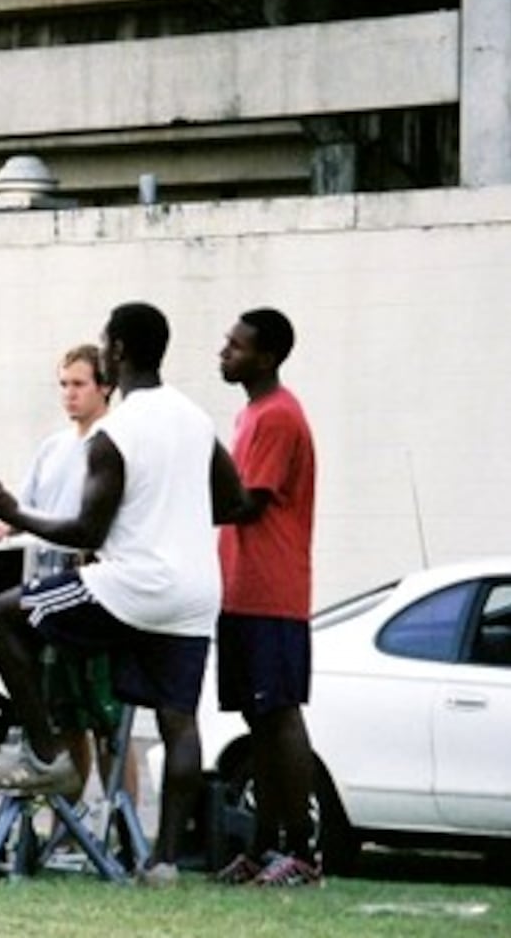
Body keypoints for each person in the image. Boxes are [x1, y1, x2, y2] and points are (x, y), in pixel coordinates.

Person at [0, 302, 244, 887]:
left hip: (130, 585)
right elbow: (233, 502)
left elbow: (86, 534)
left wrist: (13, 513)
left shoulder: (113, 433)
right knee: (178, 721)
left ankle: (49, 759)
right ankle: (165, 861)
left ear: (118, 352)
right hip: (195, 593)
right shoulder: (196, 419)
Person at [0, 344, 139, 818]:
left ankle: (121, 822)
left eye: (79, 384)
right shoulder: (52, 448)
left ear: (105, 387)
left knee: (107, 720)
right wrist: (7, 521)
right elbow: (30, 512)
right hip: (49, 592)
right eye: (64, 385)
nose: (69, 394)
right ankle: (67, 827)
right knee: (67, 715)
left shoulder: (113, 443)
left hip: (96, 590)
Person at [214, 308, 320, 887]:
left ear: (267, 356)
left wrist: (178, 508)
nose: (223, 353)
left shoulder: (278, 415)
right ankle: (260, 849)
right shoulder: (250, 413)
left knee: (279, 714)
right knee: (257, 719)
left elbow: (248, 501)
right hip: (240, 588)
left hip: (272, 591)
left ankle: (302, 852)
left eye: (235, 346)